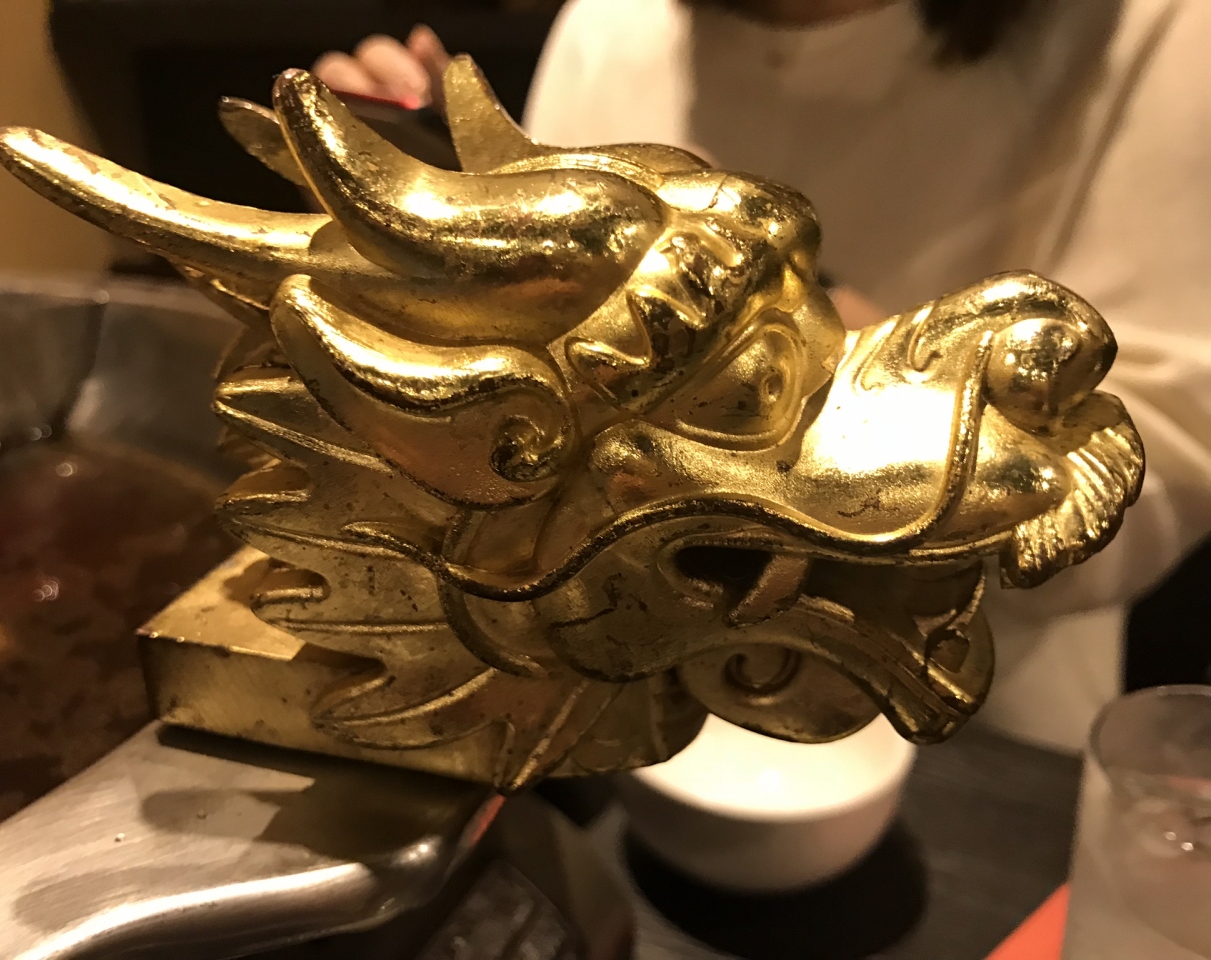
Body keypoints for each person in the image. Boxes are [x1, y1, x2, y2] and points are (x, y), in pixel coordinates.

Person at [313, 0, 1211, 752]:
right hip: (610, 693)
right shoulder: (615, 17)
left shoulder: (1159, 26)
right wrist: (450, 218)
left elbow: (1168, 442)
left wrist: (816, 326)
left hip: (998, 727)